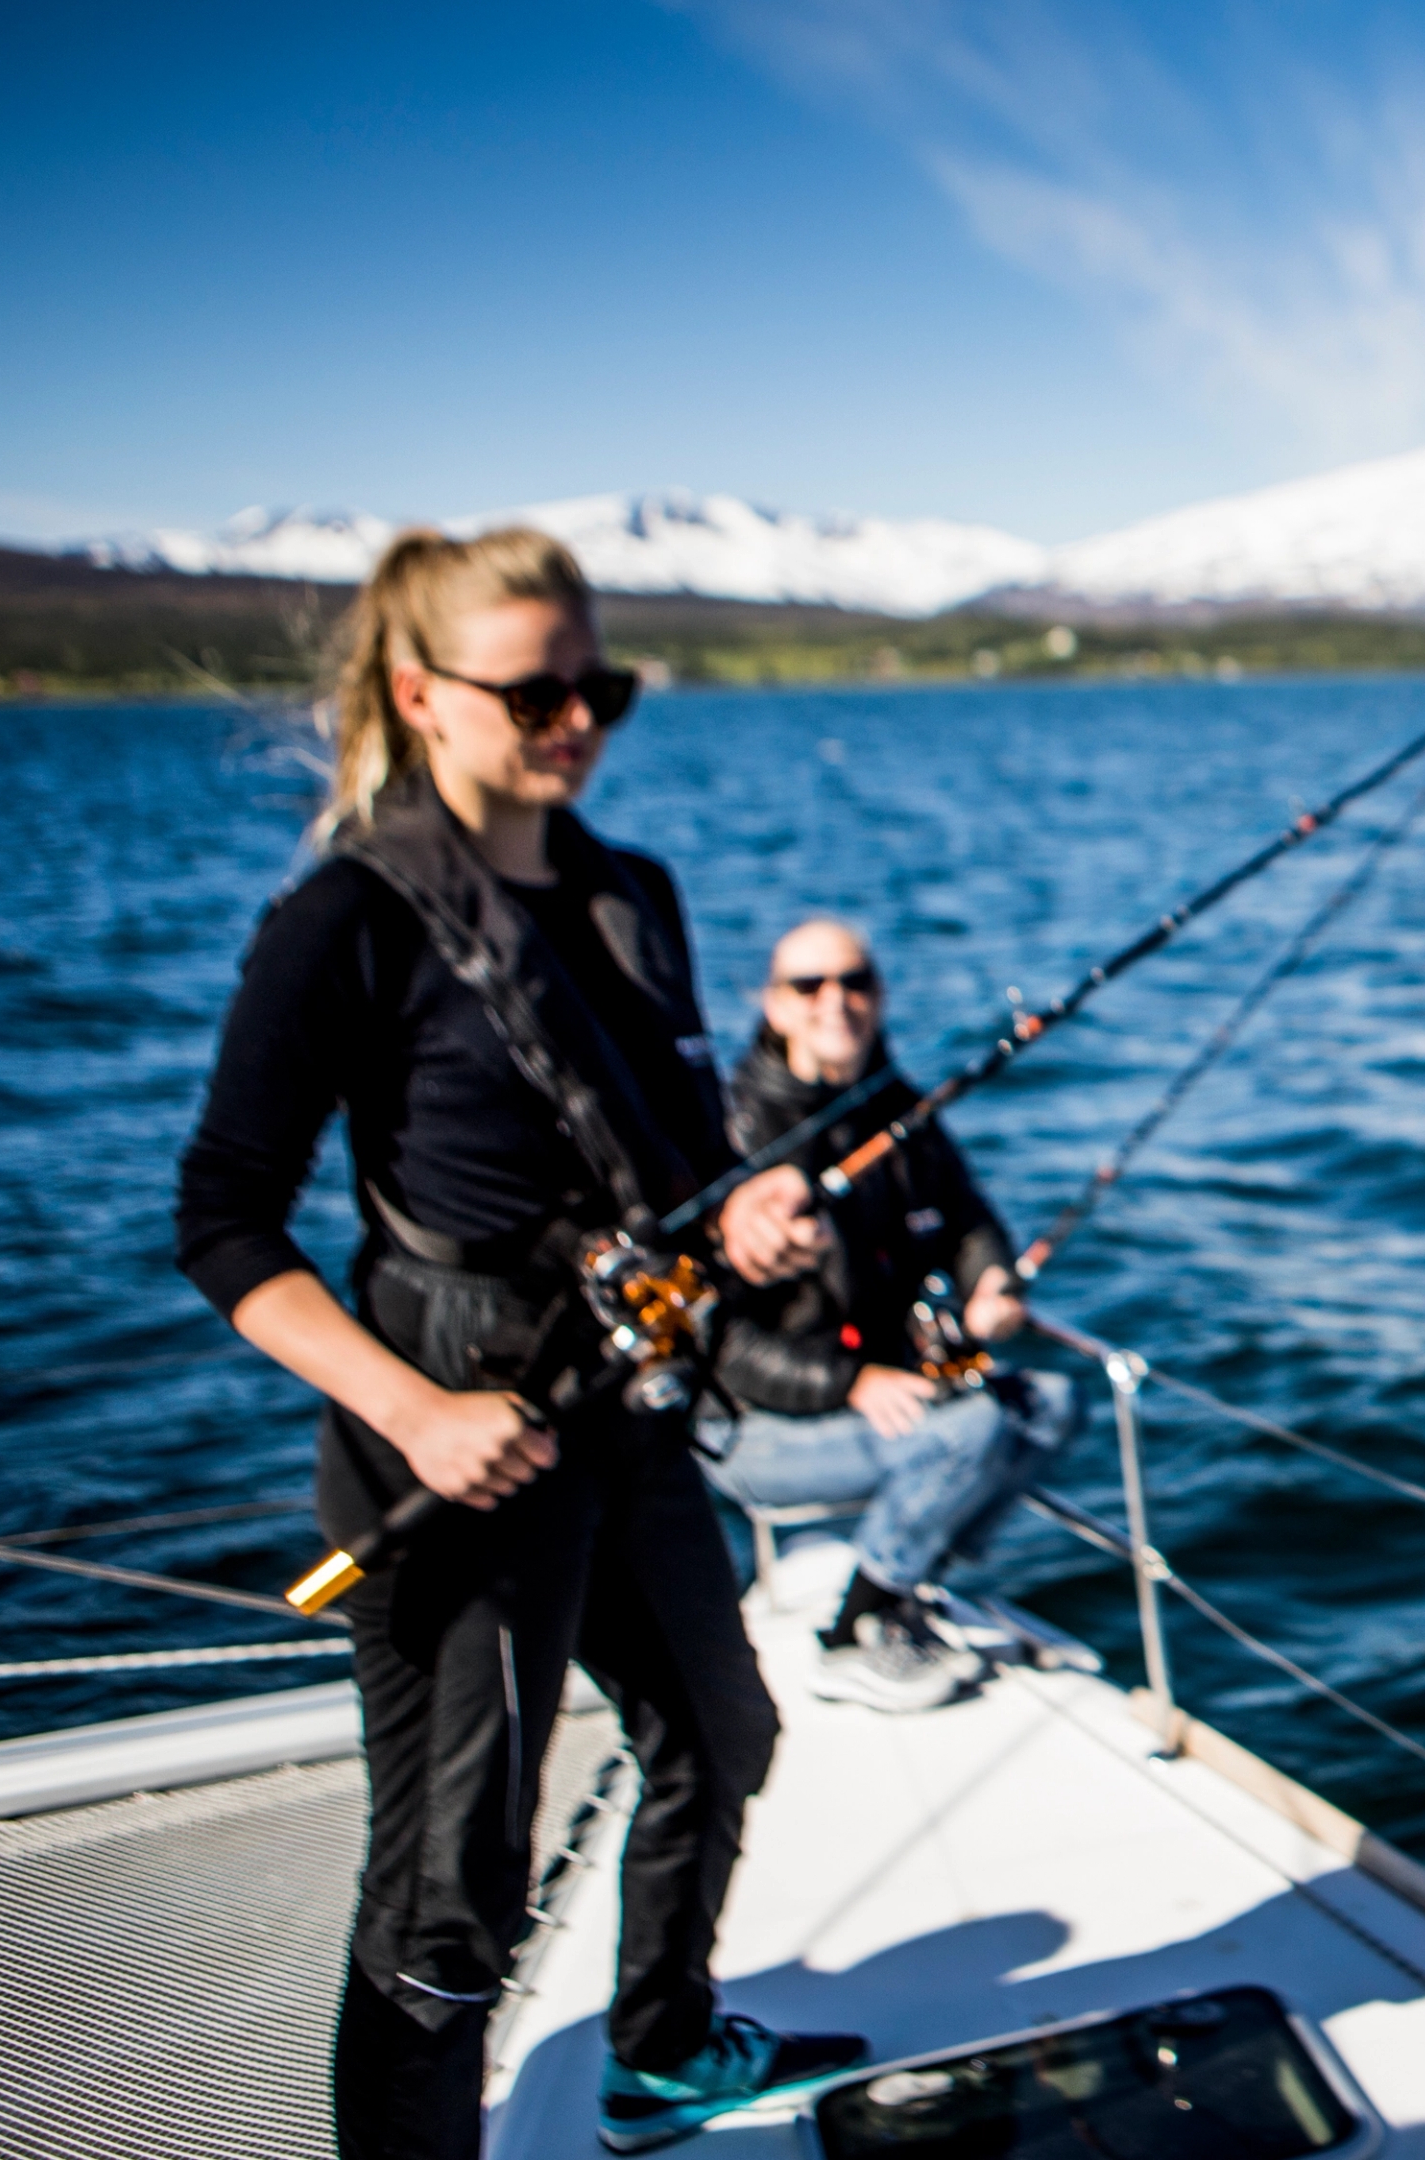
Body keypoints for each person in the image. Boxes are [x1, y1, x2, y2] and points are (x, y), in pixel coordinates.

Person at [176, 529, 865, 2157]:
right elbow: (223, 1220)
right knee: (450, 1895)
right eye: (539, 690)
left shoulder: (637, 897)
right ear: (422, 694)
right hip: (454, 1441)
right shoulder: (344, 917)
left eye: (600, 686)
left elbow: (676, 1170)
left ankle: (665, 2042)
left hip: (626, 1421)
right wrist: (411, 1410)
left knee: (720, 1727)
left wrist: (737, 1228)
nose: (577, 720)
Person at [697, 915, 1076, 1714]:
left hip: (886, 1389)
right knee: (969, 1431)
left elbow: (968, 1219)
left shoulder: (901, 1110)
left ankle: (908, 1580)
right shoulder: (728, 1129)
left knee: (1047, 1405)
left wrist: (989, 1284)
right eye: (809, 985)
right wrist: (851, 1379)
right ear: (773, 1005)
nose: (836, 1002)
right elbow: (716, 1339)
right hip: (756, 1425)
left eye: (856, 982)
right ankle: (854, 1630)